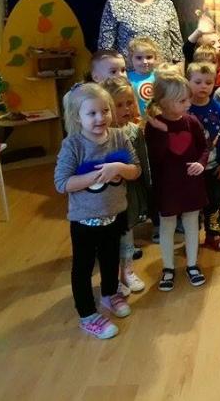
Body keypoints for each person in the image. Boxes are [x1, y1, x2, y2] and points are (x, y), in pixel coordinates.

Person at [54, 83, 141, 339]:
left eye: (104, 111)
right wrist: (97, 176)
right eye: (91, 113)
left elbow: (135, 170)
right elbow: (62, 183)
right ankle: (87, 315)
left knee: (111, 258)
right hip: (85, 221)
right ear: (77, 117)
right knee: (82, 268)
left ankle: (109, 293)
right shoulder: (73, 145)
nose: (100, 118)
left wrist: (118, 168)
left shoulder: (119, 137)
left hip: (115, 214)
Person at [144, 66, 209, 290]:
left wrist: (201, 163)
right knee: (167, 226)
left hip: (191, 184)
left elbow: (204, 147)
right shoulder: (153, 127)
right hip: (167, 186)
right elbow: (156, 157)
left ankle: (192, 264)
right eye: (182, 101)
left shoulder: (192, 121)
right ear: (164, 102)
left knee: (192, 224)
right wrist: (162, 131)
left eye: (187, 99)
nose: (188, 104)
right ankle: (168, 267)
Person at [101, 77, 151, 295]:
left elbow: (143, 163)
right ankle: (112, 278)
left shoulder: (134, 131)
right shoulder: (102, 135)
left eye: (129, 103)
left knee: (127, 233)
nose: (126, 109)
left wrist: (147, 188)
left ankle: (128, 272)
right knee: (110, 238)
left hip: (130, 191)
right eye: (119, 105)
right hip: (108, 196)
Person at [98, 0, 184, 72]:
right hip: (129, 76)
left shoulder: (166, 4)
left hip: (163, 76)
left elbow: (177, 47)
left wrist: (179, 76)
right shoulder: (115, 4)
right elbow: (105, 49)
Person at [186, 61, 220, 253]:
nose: (203, 86)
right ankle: (191, 236)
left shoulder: (219, 109)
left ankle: (212, 233)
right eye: (197, 82)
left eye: (208, 82)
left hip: (214, 166)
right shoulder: (184, 108)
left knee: (214, 200)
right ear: (188, 82)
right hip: (190, 168)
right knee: (192, 203)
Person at [126, 36, 160, 116]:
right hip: (137, 119)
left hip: (158, 117)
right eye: (139, 58)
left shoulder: (159, 76)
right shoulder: (127, 78)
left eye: (149, 57)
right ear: (131, 59)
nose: (144, 61)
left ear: (155, 58)